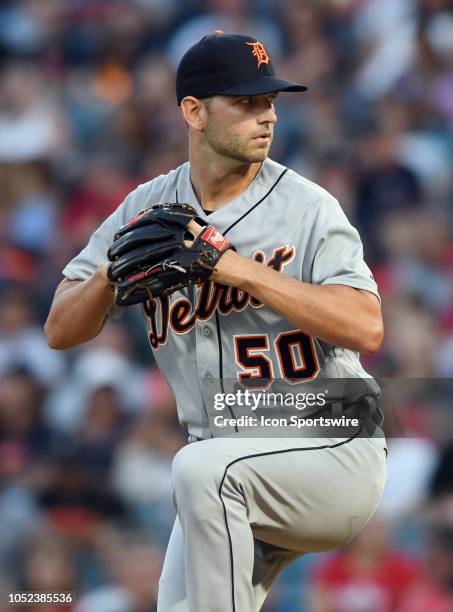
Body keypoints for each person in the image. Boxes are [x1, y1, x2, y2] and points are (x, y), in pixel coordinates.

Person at [45, 32, 387, 612]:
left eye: (271, 101)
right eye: (247, 102)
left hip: (330, 442)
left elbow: (367, 327)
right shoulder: (146, 208)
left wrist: (238, 270)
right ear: (194, 112)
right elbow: (60, 329)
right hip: (226, 466)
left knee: (198, 468)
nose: (268, 115)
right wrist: (110, 274)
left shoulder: (307, 207)